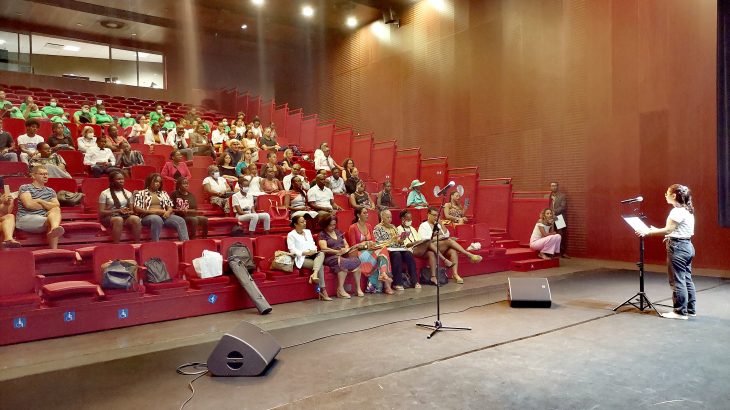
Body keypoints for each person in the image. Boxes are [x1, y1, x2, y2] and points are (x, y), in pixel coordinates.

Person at [638, 184, 696, 320]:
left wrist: (648, 232)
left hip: (678, 248)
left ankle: (680, 312)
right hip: (687, 246)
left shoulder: (676, 211)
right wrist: (667, 235)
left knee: (677, 280)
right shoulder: (687, 210)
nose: (665, 195)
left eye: (667, 193)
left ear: (674, 196)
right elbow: (675, 230)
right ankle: (690, 309)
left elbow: (669, 229)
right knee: (686, 279)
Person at [418, 206, 483, 284]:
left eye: (437, 215)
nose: (436, 217)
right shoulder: (423, 225)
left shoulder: (438, 225)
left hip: (440, 246)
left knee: (453, 251)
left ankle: (455, 274)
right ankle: (468, 254)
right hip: (428, 248)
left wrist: (441, 224)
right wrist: (438, 237)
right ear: (428, 214)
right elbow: (424, 239)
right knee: (449, 240)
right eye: (434, 215)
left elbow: (446, 234)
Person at [16, 165, 64, 249]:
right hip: (26, 218)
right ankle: (54, 244)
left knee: (56, 210)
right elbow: (29, 205)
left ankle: (54, 229)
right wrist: (48, 205)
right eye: (42, 174)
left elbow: (56, 205)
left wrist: (40, 201)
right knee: (52, 219)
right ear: (33, 175)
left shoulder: (50, 191)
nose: (45, 176)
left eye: (46, 174)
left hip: (43, 218)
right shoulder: (25, 187)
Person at [347, 208, 393, 294]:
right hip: (359, 253)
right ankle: (386, 284)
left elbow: (374, 241)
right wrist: (364, 244)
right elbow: (352, 246)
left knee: (383, 249)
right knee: (381, 254)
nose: (367, 214)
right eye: (364, 213)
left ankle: (383, 274)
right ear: (358, 215)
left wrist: (372, 244)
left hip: (370, 250)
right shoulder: (353, 227)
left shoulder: (369, 226)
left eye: (367, 213)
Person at [132, 173, 189, 242]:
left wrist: (168, 212)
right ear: (149, 181)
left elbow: (169, 207)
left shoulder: (163, 193)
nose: (158, 184)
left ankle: (185, 243)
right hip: (147, 216)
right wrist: (155, 212)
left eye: (159, 182)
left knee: (180, 220)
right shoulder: (141, 193)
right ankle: (156, 244)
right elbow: (137, 208)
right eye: (156, 181)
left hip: (163, 216)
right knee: (157, 219)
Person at [318, 215, 364, 298]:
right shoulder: (322, 234)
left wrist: (345, 249)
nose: (333, 227)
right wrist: (337, 252)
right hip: (331, 257)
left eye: (334, 224)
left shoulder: (338, 232)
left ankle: (358, 288)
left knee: (356, 261)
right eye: (330, 225)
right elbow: (324, 248)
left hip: (343, 254)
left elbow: (346, 244)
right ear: (325, 225)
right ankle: (340, 289)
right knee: (343, 262)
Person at [287, 215, 330, 300]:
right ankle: (323, 290)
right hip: (301, 258)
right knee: (320, 266)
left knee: (321, 253)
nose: (304, 223)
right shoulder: (291, 235)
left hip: (313, 255)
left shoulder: (308, 232)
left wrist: (313, 251)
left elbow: (313, 244)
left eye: (305, 221)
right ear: (295, 224)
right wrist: (305, 253)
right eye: (302, 222)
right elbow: (292, 250)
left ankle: (314, 274)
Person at [373, 209, 416, 291]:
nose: (390, 219)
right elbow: (378, 243)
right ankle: (397, 283)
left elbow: (398, 241)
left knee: (408, 253)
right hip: (387, 250)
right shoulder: (377, 228)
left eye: (391, 217)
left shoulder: (393, 227)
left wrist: (401, 240)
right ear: (382, 217)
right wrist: (391, 241)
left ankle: (414, 281)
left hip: (397, 247)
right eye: (387, 217)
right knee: (397, 254)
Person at [98, 171, 141, 243]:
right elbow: (101, 212)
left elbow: (132, 211)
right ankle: (116, 244)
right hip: (109, 216)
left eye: (122, 179)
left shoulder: (128, 193)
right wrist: (117, 210)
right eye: (118, 179)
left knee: (136, 219)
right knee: (118, 219)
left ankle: (137, 243)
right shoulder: (104, 193)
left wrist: (127, 211)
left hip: (124, 215)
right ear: (112, 181)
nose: (121, 181)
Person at [549, 181, 569, 258]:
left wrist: (553, 212)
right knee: (550, 235)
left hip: (559, 218)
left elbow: (563, 207)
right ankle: (551, 252)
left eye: (555, 185)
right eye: (552, 186)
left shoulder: (562, 196)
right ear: (550, 187)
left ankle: (562, 253)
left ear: (557, 187)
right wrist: (550, 214)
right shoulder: (547, 195)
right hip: (549, 218)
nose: (553, 187)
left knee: (561, 235)